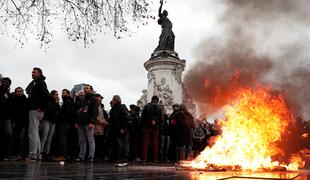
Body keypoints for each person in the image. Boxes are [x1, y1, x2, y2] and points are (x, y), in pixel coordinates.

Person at [26, 67, 50, 161]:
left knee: (32, 132)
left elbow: (46, 96)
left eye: (34, 72)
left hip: (36, 109)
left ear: (39, 73)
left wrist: (42, 108)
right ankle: (38, 154)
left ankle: (33, 154)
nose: (32, 73)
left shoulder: (40, 83)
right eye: (32, 72)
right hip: (36, 109)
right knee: (35, 132)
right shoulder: (37, 83)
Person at [76, 84, 98, 162]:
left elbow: (95, 111)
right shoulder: (83, 99)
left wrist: (92, 122)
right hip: (81, 123)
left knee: (90, 139)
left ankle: (90, 156)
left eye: (87, 88)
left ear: (91, 90)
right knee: (82, 140)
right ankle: (82, 156)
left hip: (88, 122)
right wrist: (77, 122)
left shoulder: (94, 99)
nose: (85, 89)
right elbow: (81, 111)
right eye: (84, 88)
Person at [108, 95, 130, 166]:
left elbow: (125, 118)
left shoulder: (121, 108)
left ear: (116, 100)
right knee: (117, 145)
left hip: (120, 129)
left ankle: (123, 159)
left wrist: (123, 128)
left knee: (122, 145)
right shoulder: (113, 109)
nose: (112, 101)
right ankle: (118, 158)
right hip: (115, 130)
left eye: (113, 100)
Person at [140, 95, 163, 162]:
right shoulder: (159, 108)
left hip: (146, 127)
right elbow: (161, 120)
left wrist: (143, 126)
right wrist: (157, 124)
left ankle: (144, 158)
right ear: (157, 100)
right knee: (155, 143)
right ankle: (155, 158)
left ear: (151, 99)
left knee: (145, 143)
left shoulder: (146, 106)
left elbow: (142, 117)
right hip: (155, 128)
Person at [54, 89, 74, 161]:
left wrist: (60, 117)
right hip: (64, 122)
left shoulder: (67, 101)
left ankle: (63, 155)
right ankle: (63, 154)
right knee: (62, 138)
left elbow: (66, 113)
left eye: (64, 93)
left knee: (62, 139)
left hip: (64, 122)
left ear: (68, 94)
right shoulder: (66, 101)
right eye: (62, 93)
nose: (62, 94)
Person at [40, 90, 59, 160]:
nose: (57, 96)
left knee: (49, 139)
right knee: (44, 138)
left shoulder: (56, 103)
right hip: (46, 120)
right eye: (56, 94)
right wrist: (55, 103)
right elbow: (49, 110)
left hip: (53, 122)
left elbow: (57, 111)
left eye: (57, 94)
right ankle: (40, 152)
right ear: (52, 95)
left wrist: (57, 104)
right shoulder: (48, 101)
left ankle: (47, 153)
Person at [10, 87, 29, 159]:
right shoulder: (13, 100)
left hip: (24, 123)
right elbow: (12, 112)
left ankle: (21, 154)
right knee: (15, 138)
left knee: (21, 138)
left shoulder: (26, 100)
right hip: (16, 123)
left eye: (20, 91)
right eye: (17, 91)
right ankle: (15, 153)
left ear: (23, 92)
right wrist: (13, 121)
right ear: (15, 92)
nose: (19, 92)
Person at [0, 77, 13, 160]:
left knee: (8, 134)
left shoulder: (9, 95)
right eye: (3, 82)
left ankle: (5, 154)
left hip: (7, 117)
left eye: (7, 82)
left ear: (9, 85)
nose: (5, 83)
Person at [94, 94, 108, 161]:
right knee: (98, 142)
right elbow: (95, 117)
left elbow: (102, 117)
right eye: (100, 98)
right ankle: (97, 156)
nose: (101, 99)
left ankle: (99, 156)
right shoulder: (95, 106)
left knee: (100, 142)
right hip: (97, 127)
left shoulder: (99, 106)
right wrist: (103, 122)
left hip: (101, 127)